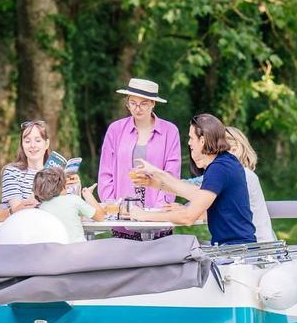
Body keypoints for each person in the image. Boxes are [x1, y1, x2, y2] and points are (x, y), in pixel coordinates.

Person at [129, 114, 257, 246]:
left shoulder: (219, 168)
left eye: (191, 138)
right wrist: (154, 182)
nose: (189, 142)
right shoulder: (227, 161)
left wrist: (144, 216)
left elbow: (188, 218)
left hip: (234, 252)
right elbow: (196, 193)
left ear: (202, 140)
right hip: (238, 246)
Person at [97, 78, 181, 208]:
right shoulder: (115, 130)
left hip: (157, 218)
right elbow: (105, 173)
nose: (137, 109)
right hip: (122, 216)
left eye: (144, 104)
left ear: (153, 103)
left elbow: (171, 174)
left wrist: (160, 209)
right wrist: (114, 207)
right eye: (133, 103)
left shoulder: (170, 131)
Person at [1, 120, 78, 203]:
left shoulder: (57, 174)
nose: (33, 145)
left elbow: (74, 209)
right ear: (22, 145)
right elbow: (17, 210)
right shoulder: (12, 172)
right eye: (27, 141)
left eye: (38, 141)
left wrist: (76, 188)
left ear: (46, 144)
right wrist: (52, 192)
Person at [225, 126, 275, 243]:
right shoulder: (240, 174)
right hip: (253, 246)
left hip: (258, 248)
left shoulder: (243, 176)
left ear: (234, 149)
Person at [34, 167, 105, 243]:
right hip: (78, 251)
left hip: (54, 252)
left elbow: (75, 218)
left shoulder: (41, 208)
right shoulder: (73, 200)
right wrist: (89, 196)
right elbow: (101, 217)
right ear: (62, 184)